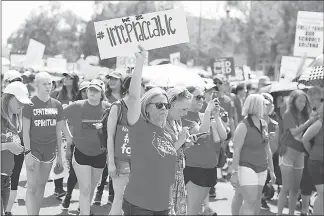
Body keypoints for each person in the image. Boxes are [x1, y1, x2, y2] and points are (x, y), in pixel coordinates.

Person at [62, 79, 109, 215]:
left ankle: (83, 209)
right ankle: (85, 213)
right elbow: (60, 118)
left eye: (96, 90)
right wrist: (69, 137)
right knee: (85, 187)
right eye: (90, 89)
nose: (92, 92)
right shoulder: (77, 105)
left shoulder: (108, 107)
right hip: (81, 153)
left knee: (92, 187)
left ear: (102, 93)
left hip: (100, 154)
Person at [23, 72, 65, 215]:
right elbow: (25, 132)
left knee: (41, 186)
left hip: (50, 150)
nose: (48, 86)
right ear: (37, 85)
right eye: (44, 84)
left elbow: (59, 132)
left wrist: (60, 155)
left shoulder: (57, 104)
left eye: (50, 83)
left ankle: (36, 212)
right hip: (34, 149)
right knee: (32, 187)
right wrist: (27, 153)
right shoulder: (29, 104)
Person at [181, 86, 227, 215]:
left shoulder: (203, 115)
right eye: (198, 97)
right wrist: (208, 112)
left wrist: (216, 116)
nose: (202, 99)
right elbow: (201, 131)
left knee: (196, 210)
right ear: (188, 98)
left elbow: (223, 136)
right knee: (192, 210)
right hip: (194, 169)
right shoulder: (184, 117)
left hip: (209, 168)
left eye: (202, 97)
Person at [229, 94, 276, 215]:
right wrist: (234, 172)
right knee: (249, 201)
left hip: (262, 167)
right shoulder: (243, 126)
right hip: (247, 166)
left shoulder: (263, 124)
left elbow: (267, 148)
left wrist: (272, 170)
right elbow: (237, 150)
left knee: (255, 201)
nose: (266, 107)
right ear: (256, 106)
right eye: (264, 104)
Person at [277, 90, 318, 215]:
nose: (303, 104)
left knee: (296, 189)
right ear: (293, 101)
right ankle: (279, 213)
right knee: (286, 187)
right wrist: (309, 122)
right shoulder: (288, 114)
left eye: (305, 102)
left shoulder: (306, 115)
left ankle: (291, 213)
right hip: (287, 153)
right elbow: (294, 132)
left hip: (300, 154)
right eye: (300, 101)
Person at [1, 82, 33, 215]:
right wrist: (8, 146)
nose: (22, 105)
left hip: (6, 177)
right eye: (19, 101)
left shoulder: (14, 116)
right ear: (8, 98)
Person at [94, 70, 125, 205]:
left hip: (121, 136)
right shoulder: (104, 97)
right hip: (105, 135)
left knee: (115, 166)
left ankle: (112, 195)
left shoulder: (125, 97)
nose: (112, 81)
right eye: (110, 79)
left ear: (121, 82)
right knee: (105, 166)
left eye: (115, 79)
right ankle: (99, 193)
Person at [50, 72, 79, 198]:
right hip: (59, 130)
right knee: (59, 158)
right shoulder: (56, 93)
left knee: (73, 160)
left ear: (75, 80)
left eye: (69, 78)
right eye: (65, 77)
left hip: (75, 131)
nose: (66, 79)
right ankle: (58, 188)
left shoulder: (80, 94)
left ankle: (70, 189)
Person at [61, 80, 90, 210]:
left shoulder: (99, 106)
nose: (86, 93)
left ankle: (82, 206)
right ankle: (68, 195)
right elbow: (60, 117)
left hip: (92, 146)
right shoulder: (74, 106)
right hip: (76, 144)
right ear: (80, 92)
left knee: (88, 177)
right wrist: (68, 140)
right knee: (73, 174)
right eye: (84, 91)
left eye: (89, 90)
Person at [165, 87, 193, 215]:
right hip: (165, 177)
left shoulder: (176, 121)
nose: (185, 113)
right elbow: (162, 153)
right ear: (174, 104)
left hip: (178, 174)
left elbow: (175, 147)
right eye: (183, 109)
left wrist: (185, 143)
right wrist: (181, 141)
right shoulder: (161, 122)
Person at [302, 86, 324, 216]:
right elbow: (305, 138)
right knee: (322, 193)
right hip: (316, 161)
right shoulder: (319, 122)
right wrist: (312, 153)